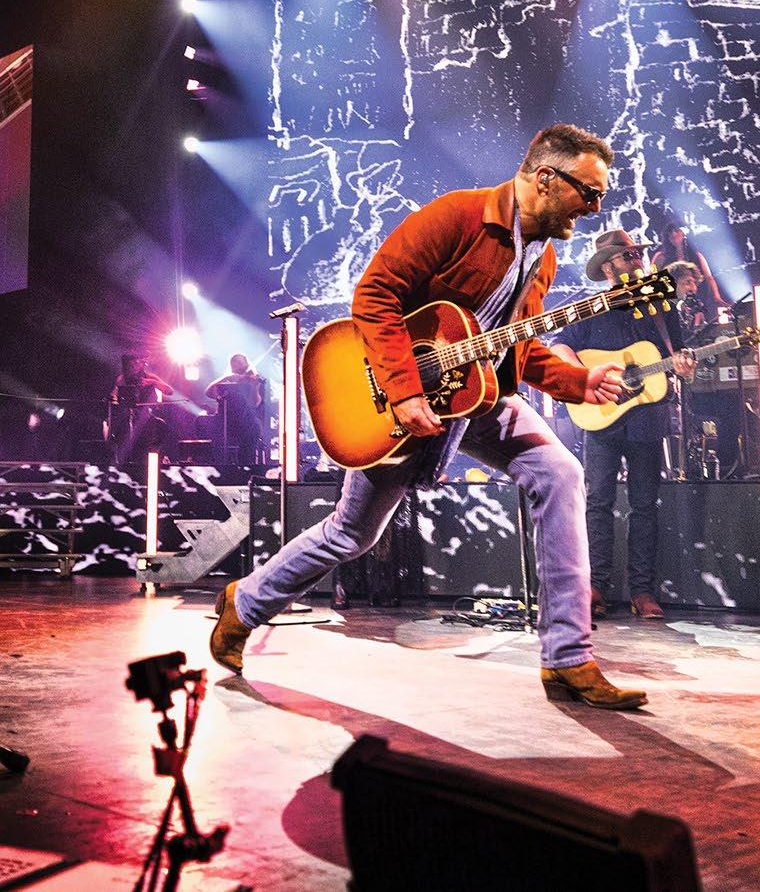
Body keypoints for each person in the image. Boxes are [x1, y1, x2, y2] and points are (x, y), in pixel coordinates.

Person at [210, 123, 648, 711]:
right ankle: (245, 603)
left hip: (479, 399)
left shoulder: (542, 257)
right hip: (397, 399)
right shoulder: (458, 216)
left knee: (561, 474)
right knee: (352, 534)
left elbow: (517, 347)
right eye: (588, 193)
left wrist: (578, 381)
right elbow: (375, 295)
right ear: (546, 178)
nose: (594, 208)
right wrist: (401, 390)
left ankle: (568, 658)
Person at [551, 230, 694, 622]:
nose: (636, 260)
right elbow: (559, 346)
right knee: (598, 503)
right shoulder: (590, 307)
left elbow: (678, 353)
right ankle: (595, 586)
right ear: (608, 267)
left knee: (644, 506)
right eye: (627, 255)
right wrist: (585, 375)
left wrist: (683, 366)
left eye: (637, 254)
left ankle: (642, 590)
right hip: (602, 418)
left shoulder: (660, 304)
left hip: (648, 417)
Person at [651, 220, 728, 316]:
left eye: (676, 231)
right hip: (672, 302)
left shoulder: (696, 255)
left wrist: (717, 297)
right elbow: (653, 281)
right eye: (670, 233)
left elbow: (709, 277)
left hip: (698, 299)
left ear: (683, 233)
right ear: (667, 238)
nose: (674, 234)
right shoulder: (661, 257)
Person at [108, 354, 174, 462]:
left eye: (135, 364)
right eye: (130, 365)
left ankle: (158, 456)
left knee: (160, 427)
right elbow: (115, 396)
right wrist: (114, 396)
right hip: (127, 416)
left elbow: (170, 391)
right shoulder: (122, 379)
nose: (133, 368)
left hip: (147, 415)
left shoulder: (149, 377)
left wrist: (152, 382)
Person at [205, 353, 265, 464]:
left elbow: (254, 403)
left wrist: (254, 387)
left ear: (246, 363)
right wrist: (228, 377)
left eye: (239, 362)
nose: (237, 366)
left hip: (247, 423)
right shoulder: (227, 381)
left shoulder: (254, 380)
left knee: (247, 452)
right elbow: (209, 392)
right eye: (234, 363)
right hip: (226, 423)